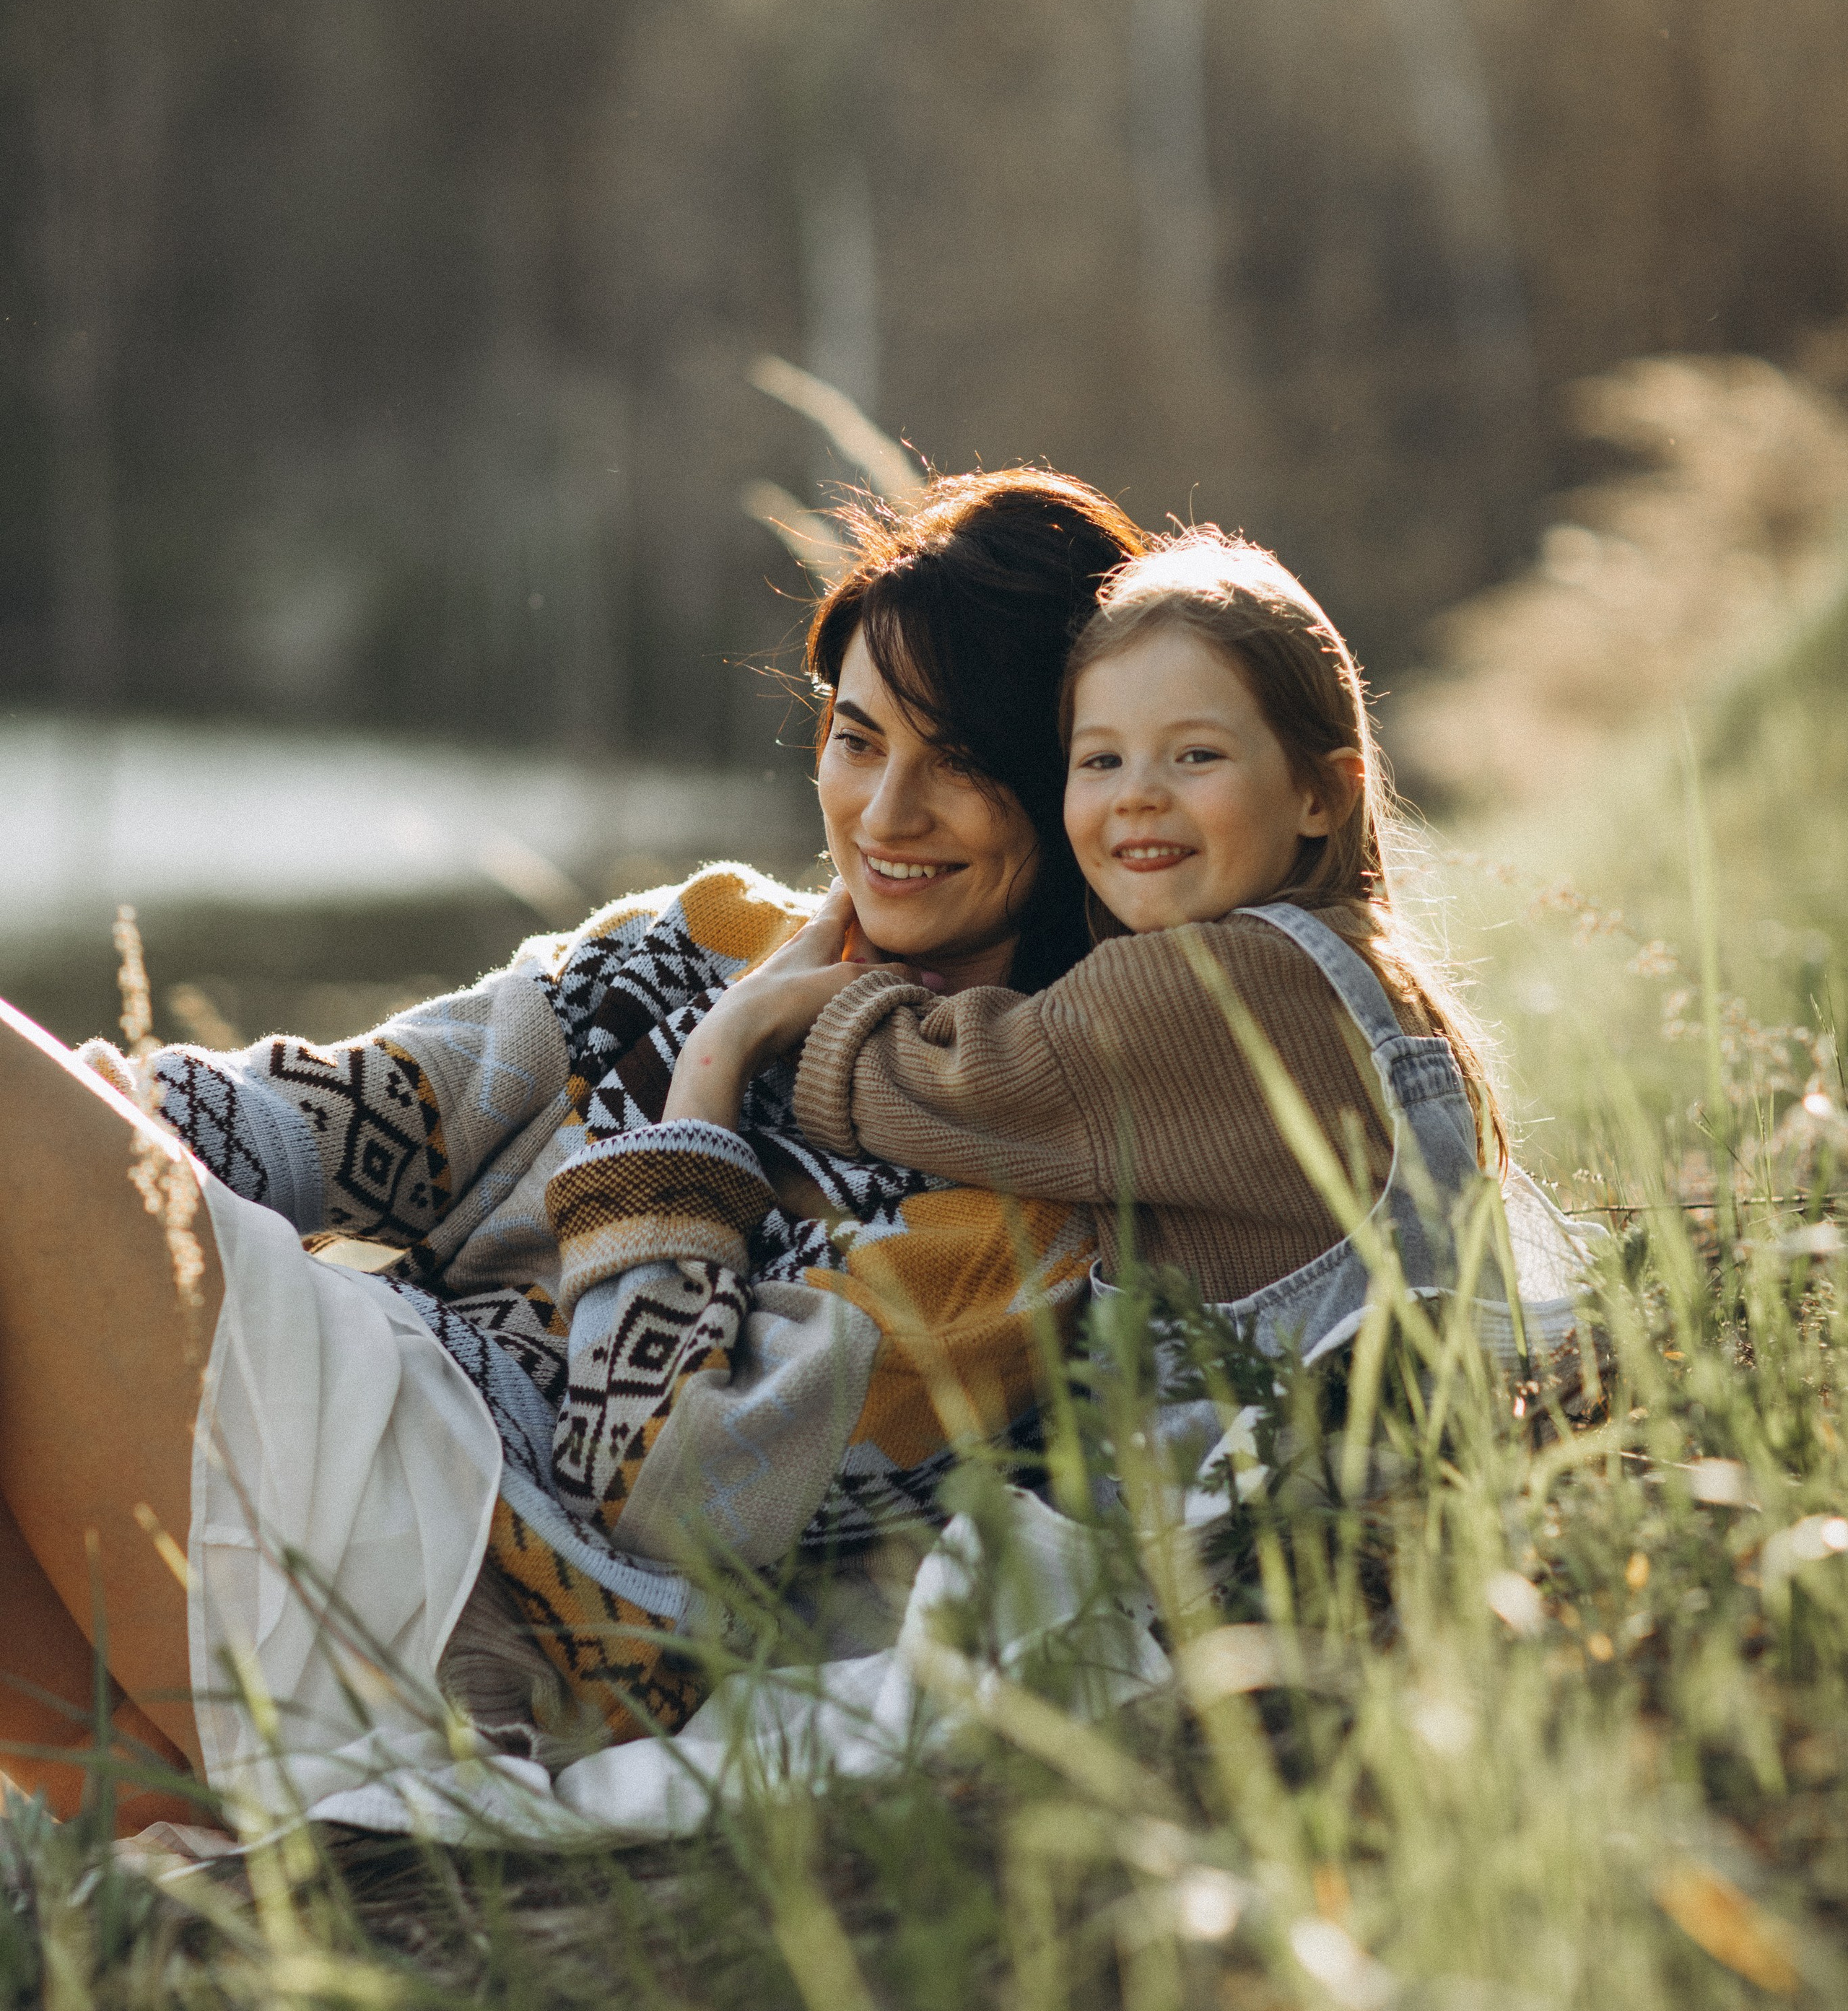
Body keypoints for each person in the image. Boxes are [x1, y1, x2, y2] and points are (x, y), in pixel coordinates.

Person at [0, 468, 1141, 1836]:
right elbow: (353, 1114)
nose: (888, 813)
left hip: (493, 1600)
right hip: (367, 1454)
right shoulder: (693, 939)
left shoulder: (1009, 1205)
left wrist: (706, 1089)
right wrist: (104, 1114)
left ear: (1064, 784)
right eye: (856, 736)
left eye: (959, 763)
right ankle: (152, 1826)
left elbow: (665, 1494)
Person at [686, 531, 1514, 1368]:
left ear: (1320, 792)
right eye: (1102, 759)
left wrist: (783, 1008)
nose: (1139, 796)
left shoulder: (1215, 989)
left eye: (1196, 756)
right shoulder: (1351, 963)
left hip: (1262, 1472)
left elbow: (952, 1089)